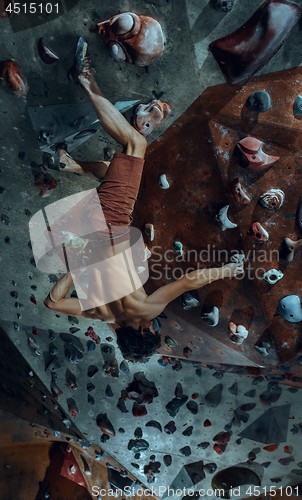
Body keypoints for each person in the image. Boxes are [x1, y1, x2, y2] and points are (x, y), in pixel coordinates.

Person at [44, 38, 244, 361]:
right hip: (87, 229)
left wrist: (228, 270)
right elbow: (52, 302)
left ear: (142, 330)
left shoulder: (145, 308)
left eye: (153, 330)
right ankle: (69, 163)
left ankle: (84, 79)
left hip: (114, 219)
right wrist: (78, 268)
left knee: (136, 144)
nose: (155, 325)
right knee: (111, 170)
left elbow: (190, 280)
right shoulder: (102, 315)